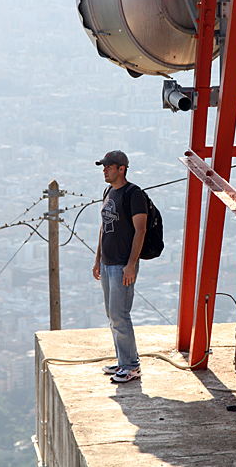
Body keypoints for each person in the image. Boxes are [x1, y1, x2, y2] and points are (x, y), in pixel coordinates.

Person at [92, 150, 147, 383]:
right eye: (103, 166)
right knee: (111, 314)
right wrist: (97, 259)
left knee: (120, 314)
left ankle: (131, 366)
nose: (104, 170)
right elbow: (104, 227)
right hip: (107, 263)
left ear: (121, 168)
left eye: (109, 166)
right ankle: (124, 360)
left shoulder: (134, 194)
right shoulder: (108, 191)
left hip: (123, 265)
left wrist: (131, 264)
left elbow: (141, 230)